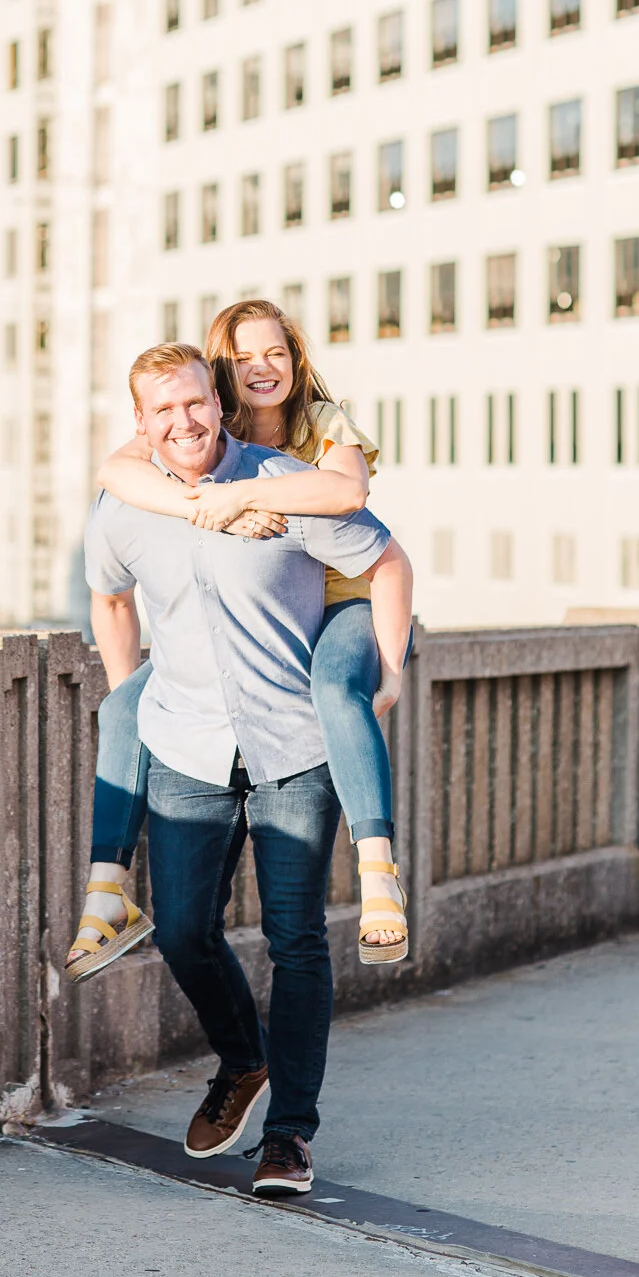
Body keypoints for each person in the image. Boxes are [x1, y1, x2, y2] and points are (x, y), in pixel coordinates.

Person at [82, 340, 413, 1192]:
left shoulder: (278, 483)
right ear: (142, 423)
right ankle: (241, 1060)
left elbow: (379, 557)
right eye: (164, 410)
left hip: (292, 744)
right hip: (185, 746)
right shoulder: (125, 503)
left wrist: (381, 670)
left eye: (195, 403)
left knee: (295, 941)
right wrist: (131, 700)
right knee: (184, 929)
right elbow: (109, 593)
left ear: (217, 403)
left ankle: (289, 1137)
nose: (184, 421)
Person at [67, 301, 409, 984]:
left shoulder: (317, 423)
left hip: (342, 596)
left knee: (336, 690)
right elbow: (116, 474)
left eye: (276, 354)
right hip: (239, 648)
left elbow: (347, 494)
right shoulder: (190, 422)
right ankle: (106, 894)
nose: (262, 369)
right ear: (223, 375)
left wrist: (391, 671)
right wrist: (209, 506)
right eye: (244, 358)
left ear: (295, 360)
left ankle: (378, 870)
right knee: (120, 709)